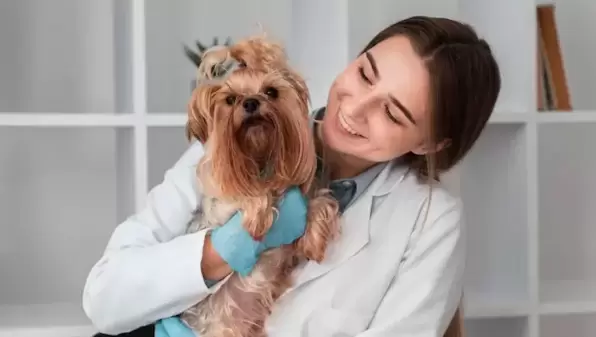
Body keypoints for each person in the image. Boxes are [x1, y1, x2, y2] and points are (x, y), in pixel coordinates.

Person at [84, 15, 500, 337]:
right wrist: (224, 249)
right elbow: (104, 297)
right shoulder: (232, 143)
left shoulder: (430, 220)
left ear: (429, 144)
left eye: (391, 112)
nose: (355, 109)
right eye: (364, 74)